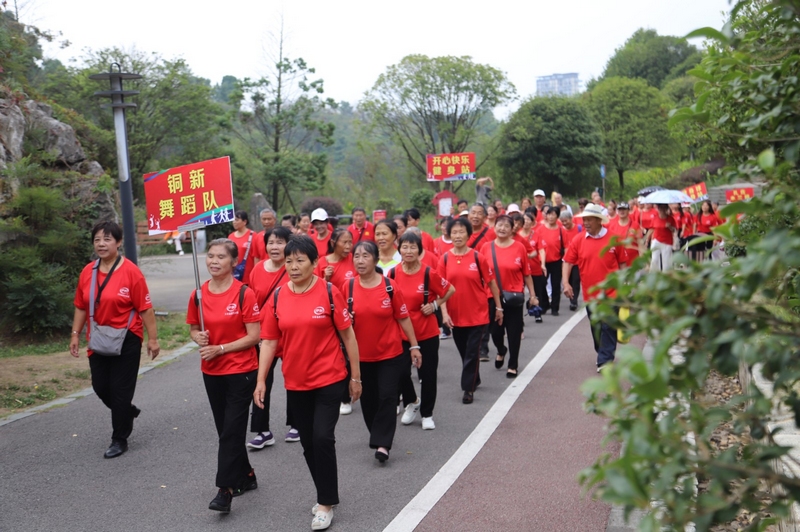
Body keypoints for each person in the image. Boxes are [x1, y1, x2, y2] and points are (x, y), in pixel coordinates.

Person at [255, 235, 361, 531]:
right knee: (307, 443)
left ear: (316, 263)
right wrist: (261, 380)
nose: (294, 266)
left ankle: (325, 503)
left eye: (301, 260)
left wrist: (356, 377)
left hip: (329, 378)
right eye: (289, 261)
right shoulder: (278, 296)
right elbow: (268, 341)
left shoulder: (329, 292)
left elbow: (348, 336)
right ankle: (327, 492)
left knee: (322, 437)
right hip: (296, 382)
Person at [70, 221, 160, 459]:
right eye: (97, 239)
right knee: (100, 387)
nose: (101, 244)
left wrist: (153, 339)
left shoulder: (131, 272)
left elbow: (146, 309)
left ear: (119, 243)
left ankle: (119, 438)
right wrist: (75, 334)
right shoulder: (87, 272)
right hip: (98, 338)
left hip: (127, 337)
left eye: (108, 239)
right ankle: (126, 411)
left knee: (120, 391)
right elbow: (80, 306)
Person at [186, 238, 262, 513]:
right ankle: (248, 475)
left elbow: (254, 336)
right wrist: (199, 337)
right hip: (212, 371)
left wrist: (220, 348)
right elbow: (193, 329)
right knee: (226, 430)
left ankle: (225, 490)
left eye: (221, 257)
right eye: (210, 256)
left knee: (231, 431)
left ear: (233, 262)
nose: (214, 261)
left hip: (241, 371)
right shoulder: (198, 294)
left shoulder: (244, 293)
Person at [345, 241, 419, 462]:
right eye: (356, 256)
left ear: (376, 259)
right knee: (368, 400)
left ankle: (383, 444)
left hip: (390, 353)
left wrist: (414, 345)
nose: (360, 260)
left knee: (388, 396)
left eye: (365, 256)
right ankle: (378, 435)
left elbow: (403, 317)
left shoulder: (389, 286)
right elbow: (339, 321)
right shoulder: (347, 287)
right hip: (360, 355)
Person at [390, 232, 455, 430]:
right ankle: (412, 401)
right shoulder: (392, 274)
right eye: (404, 247)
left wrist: (435, 305)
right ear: (399, 249)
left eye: (412, 247)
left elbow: (449, 290)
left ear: (420, 250)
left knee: (427, 374)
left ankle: (427, 413)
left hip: (426, 333)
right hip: (401, 334)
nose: (408, 251)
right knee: (400, 373)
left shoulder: (428, 273)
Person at [438, 217, 502, 404]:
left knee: (472, 352)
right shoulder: (445, 259)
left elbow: (491, 283)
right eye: (454, 232)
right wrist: (444, 313)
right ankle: (475, 377)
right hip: (456, 316)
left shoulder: (477, 257)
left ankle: (468, 389)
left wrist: (498, 307)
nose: (458, 236)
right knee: (464, 352)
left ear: (468, 234)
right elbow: (440, 290)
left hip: (478, 314)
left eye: (461, 232)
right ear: (450, 235)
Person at [246, 227, 298, 449]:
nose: (275, 247)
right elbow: (250, 303)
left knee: (294, 380)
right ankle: (262, 430)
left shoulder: (295, 268)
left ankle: (297, 424)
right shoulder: (257, 270)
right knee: (261, 380)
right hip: (264, 337)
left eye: (280, 242)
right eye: (271, 243)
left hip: (291, 334)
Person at [562, 205, 627, 371]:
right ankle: (602, 351)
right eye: (584, 219)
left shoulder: (614, 239)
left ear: (599, 220)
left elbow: (623, 263)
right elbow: (568, 261)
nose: (586, 223)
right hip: (590, 294)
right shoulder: (578, 240)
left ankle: (605, 360)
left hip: (612, 292)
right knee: (596, 325)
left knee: (607, 325)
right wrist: (566, 283)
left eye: (589, 219)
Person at [479, 215, 536, 378]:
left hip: (514, 297)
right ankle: (501, 349)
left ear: (513, 229)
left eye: (506, 226)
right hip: (491, 297)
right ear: (494, 227)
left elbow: (527, 274)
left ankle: (513, 364)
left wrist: (532, 295)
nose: (502, 228)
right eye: (499, 225)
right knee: (495, 331)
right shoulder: (486, 248)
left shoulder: (519, 248)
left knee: (514, 331)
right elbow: (480, 275)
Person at [538, 206, 565, 316]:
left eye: (553, 214)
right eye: (549, 214)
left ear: (557, 217)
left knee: (555, 284)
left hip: (557, 260)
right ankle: (544, 304)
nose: (551, 217)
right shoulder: (541, 229)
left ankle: (555, 307)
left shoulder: (560, 229)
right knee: (541, 283)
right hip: (543, 261)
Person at [315, 228, 355, 293]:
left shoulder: (354, 259)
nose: (348, 246)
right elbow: (315, 289)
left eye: (350, 242)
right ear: (332, 243)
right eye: (344, 242)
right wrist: (325, 279)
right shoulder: (321, 263)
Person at [607, 202, 642, 267]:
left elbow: (640, 244)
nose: (622, 211)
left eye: (624, 209)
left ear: (628, 210)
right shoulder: (612, 226)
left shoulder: (635, 225)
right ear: (617, 211)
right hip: (619, 264)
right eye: (620, 209)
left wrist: (643, 261)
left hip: (633, 263)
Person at [645, 204, 677, 271]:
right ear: (658, 209)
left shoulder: (670, 219)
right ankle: (655, 276)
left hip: (667, 242)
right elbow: (651, 229)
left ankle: (666, 277)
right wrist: (646, 240)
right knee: (654, 259)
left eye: (664, 208)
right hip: (656, 241)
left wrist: (669, 227)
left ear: (666, 209)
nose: (662, 210)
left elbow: (674, 230)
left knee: (666, 261)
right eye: (661, 208)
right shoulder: (655, 218)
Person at [560, 210, 581, 311]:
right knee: (568, 280)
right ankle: (571, 298)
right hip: (566, 260)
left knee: (576, 280)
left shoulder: (579, 228)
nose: (564, 223)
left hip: (577, 260)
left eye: (566, 221)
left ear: (571, 219)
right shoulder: (562, 230)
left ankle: (574, 301)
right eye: (562, 221)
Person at [228, 210, 256, 283]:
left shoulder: (253, 236)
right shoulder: (231, 237)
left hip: (248, 276)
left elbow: (256, 257)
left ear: (244, 222)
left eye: (237, 220)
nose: (234, 222)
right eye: (233, 220)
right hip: (234, 275)